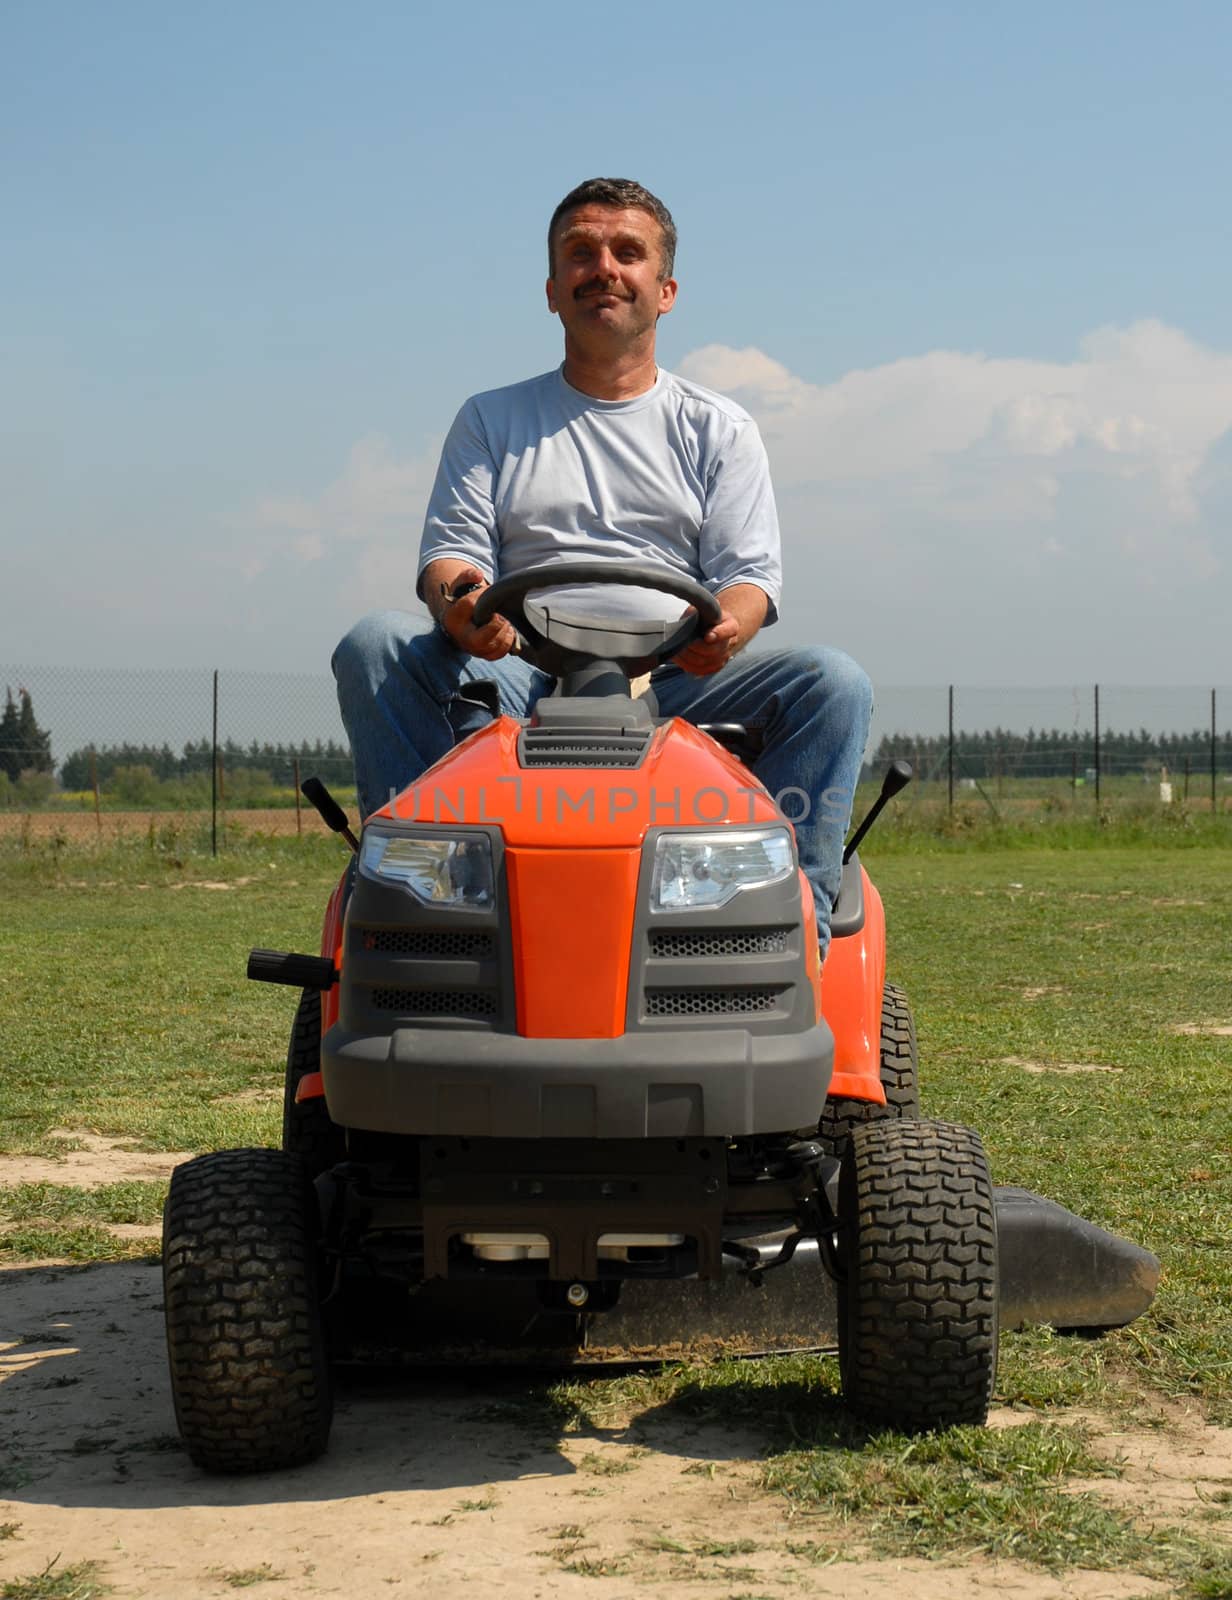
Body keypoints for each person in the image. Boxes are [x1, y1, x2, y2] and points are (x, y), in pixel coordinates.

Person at [333, 177, 872, 960]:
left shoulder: (717, 427)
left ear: (667, 288)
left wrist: (727, 627)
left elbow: (750, 579)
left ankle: (795, 925)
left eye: (628, 252)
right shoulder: (493, 418)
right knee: (374, 644)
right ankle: (415, 900)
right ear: (552, 290)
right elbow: (450, 558)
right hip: (525, 670)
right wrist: (462, 608)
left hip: (671, 675)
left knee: (834, 682)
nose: (604, 269)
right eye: (580, 254)